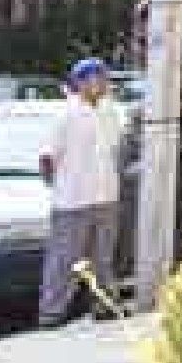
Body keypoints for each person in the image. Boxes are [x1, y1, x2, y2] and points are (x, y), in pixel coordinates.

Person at [40, 58, 132, 322]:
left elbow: (116, 149)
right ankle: (51, 312)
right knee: (64, 260)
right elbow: (47, 158)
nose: (103, 83)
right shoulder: (64, 115)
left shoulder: (110, 111)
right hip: (72, 200)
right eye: (97, 78)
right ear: (81, 83)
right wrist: (58, 186)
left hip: (106, 196)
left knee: (102, 259)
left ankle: (105, 305)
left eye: (104, 78)